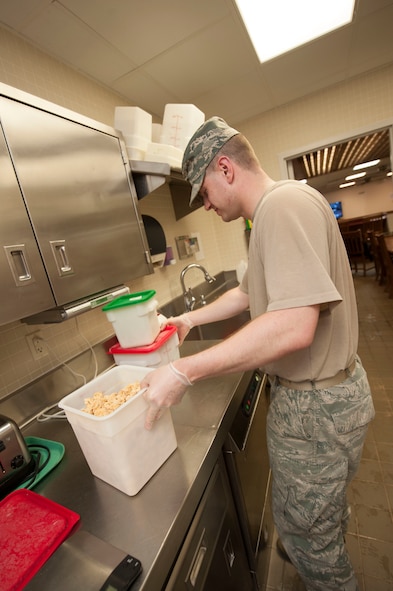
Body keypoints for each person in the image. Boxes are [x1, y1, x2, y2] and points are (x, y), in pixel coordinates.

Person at [140, 116, 375, 591]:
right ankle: (313, 541)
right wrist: (190, 320)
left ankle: (319, 560)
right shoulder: (274, 210)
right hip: (330, 398)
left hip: (315, 409)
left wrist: (185, 371)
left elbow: (293, 326)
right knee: (314, 523)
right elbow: (247, 294)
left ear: (225, 168)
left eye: (203, 192)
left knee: (318, 553)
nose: (205, 206)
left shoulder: (281, 207)